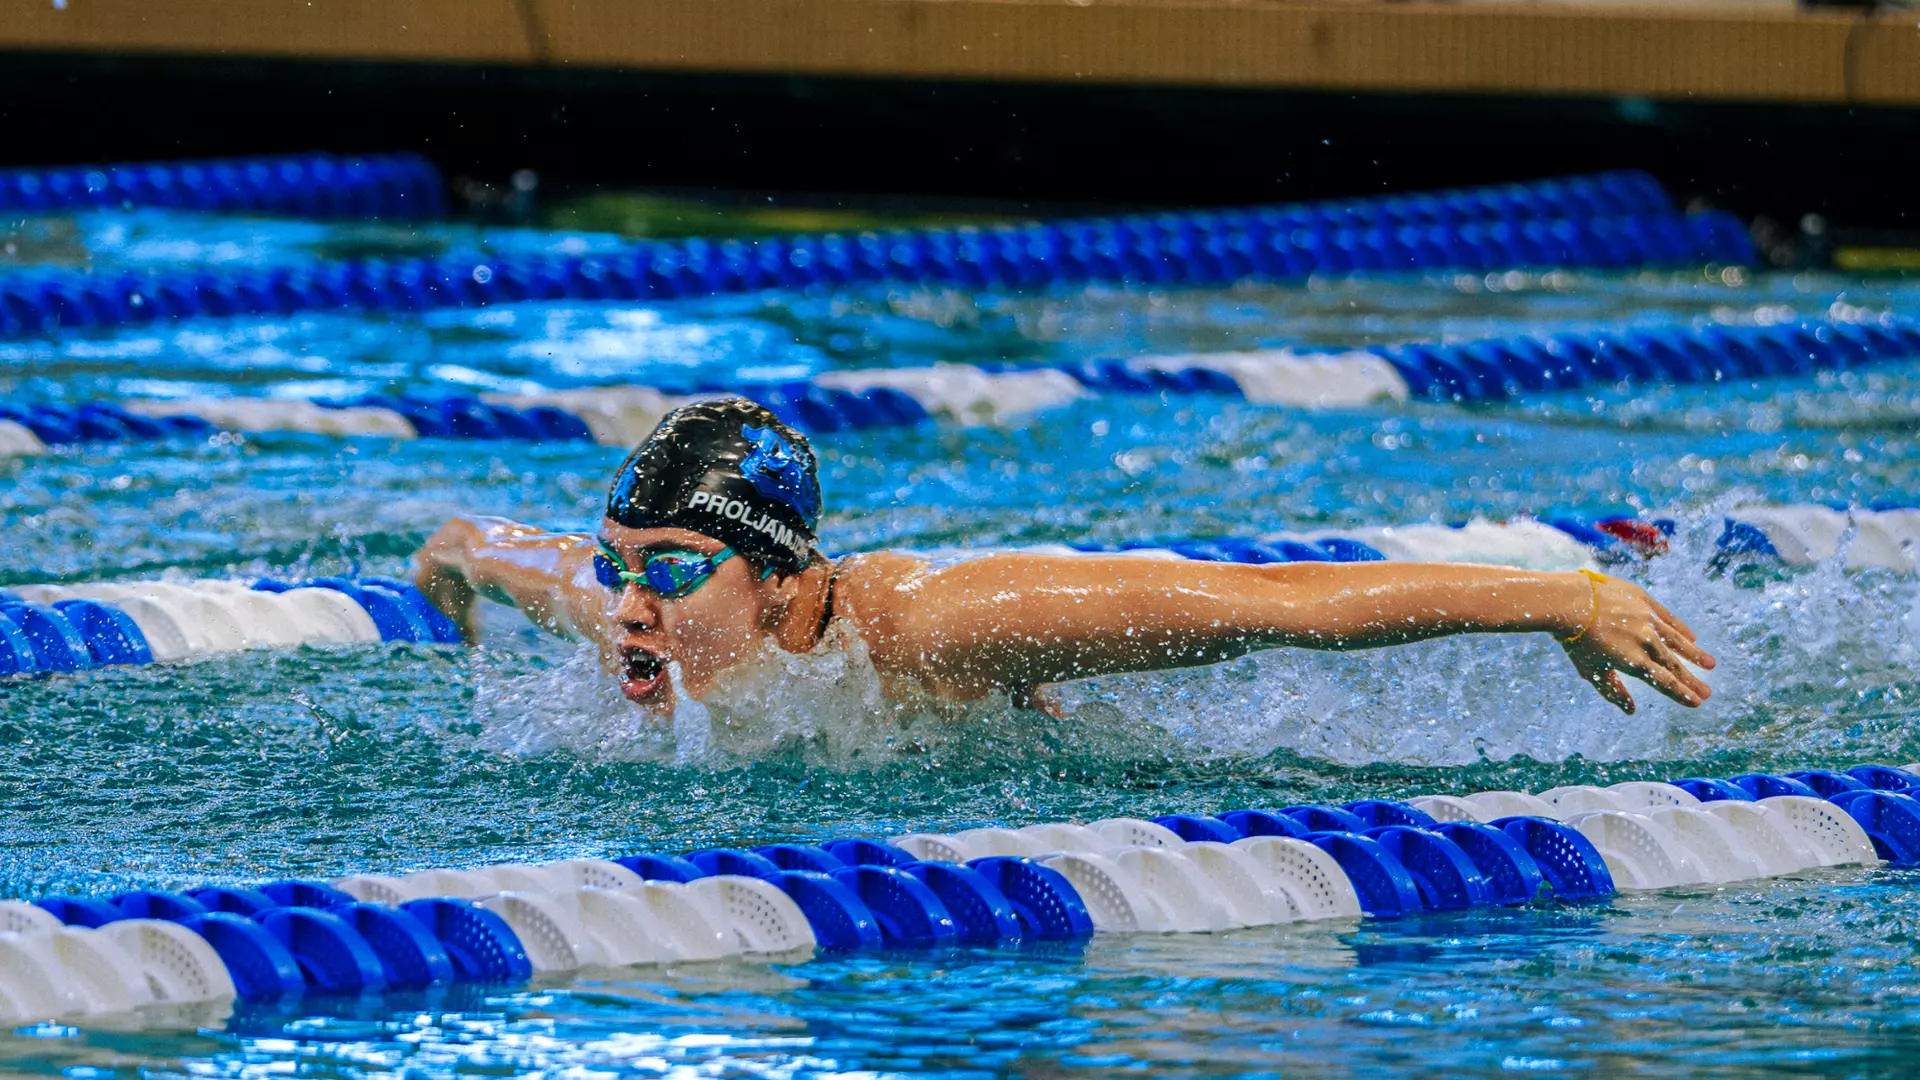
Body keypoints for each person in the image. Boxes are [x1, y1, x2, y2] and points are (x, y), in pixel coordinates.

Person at [414, 397, 1714, 716]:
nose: (630, 604)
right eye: (620, 563)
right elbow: (478, 544)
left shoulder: (941, 627)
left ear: (787, 580)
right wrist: (447, 574)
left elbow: (1281, 605)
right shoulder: (622, 610)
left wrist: (1563, 596)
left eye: (679, 570)